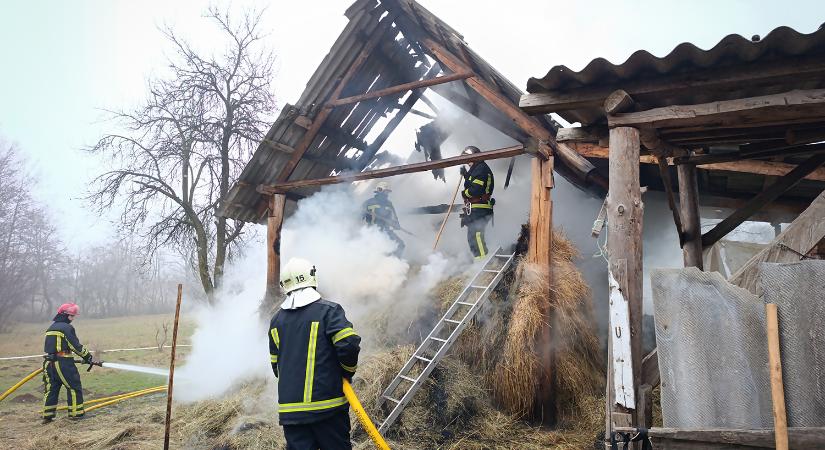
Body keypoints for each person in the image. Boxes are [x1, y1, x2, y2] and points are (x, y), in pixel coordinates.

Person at [269, 258, 361, 450]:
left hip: (291, 414)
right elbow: (348, 345)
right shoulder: (329, 311)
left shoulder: (276, 321)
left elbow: (276, 365)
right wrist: (347, 372)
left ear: (285, 285)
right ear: (312, 278)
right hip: (328, 409)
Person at [42, 303, 97, 423]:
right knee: (73, 386)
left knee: (51, 389)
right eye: (71, 316)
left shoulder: (51, 328)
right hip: (63, 363)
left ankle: (48, 416)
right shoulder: (66, 328)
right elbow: (75, 346)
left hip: (48, 363)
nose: (72, 319)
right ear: (65, 315)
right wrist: (88, 357)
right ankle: (76, 414)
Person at [459, 146, 495, 260]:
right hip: (477, 208)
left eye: (467, 159)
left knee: (476, 235)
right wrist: (466, 175)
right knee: (473, 236)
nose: (467, 163)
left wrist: (464, 194)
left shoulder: (481, 168)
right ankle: (480, 260)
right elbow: (472, 181)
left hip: (480, 207)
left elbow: (476, 189)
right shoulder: (477, 168)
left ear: (473, 156)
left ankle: (484, 261)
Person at [362, 181, 405, 257]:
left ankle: (393, 262)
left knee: (401, 245)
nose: (387, 194)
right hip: (372, 232)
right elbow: (359, 217)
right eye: (386, 192)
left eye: (388, 192)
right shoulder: (368, 203)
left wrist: (396, 225)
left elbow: (395, 219)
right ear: (380, 190)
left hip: (386, 231)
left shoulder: (388, 203)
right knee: (379, 250)